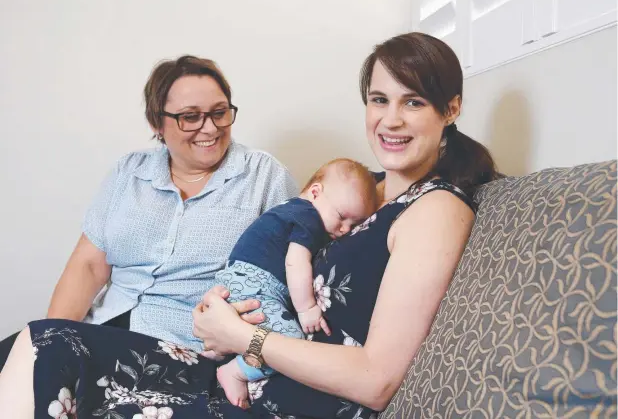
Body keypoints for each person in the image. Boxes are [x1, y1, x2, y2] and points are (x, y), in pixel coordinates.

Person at [0, 32, 498, 419]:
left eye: (413, 102)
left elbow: (376, 379)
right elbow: (269, 256)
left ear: (451, 108)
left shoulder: (435, 209)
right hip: (246, 371)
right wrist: (226, 314)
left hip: (275, 397)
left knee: (45, 349)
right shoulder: (359, 191)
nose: (390, 120)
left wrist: (242, 339)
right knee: (44, 342)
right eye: (379, 99)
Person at [0, 55, 298, 370]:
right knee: (21, 359)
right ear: (157, 122)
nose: (209, 128)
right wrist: (51, 341)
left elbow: (287, 273)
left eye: (219, 113)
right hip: (101, 329)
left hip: (182, 347)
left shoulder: (266, 177)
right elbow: (88, 266)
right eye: (190, 117)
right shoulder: (128, 171)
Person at [209, 158, 378, 408]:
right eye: (342, 217)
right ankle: (236, 370)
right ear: (315, 192)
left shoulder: (291, 210)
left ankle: (218, 351)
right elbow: (295, 263)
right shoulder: (308, 216)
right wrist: (306, 308)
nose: (344, 229)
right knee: (288, 338)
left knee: (262, 332)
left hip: (240, 280)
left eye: (353, 225)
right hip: (257, 285)